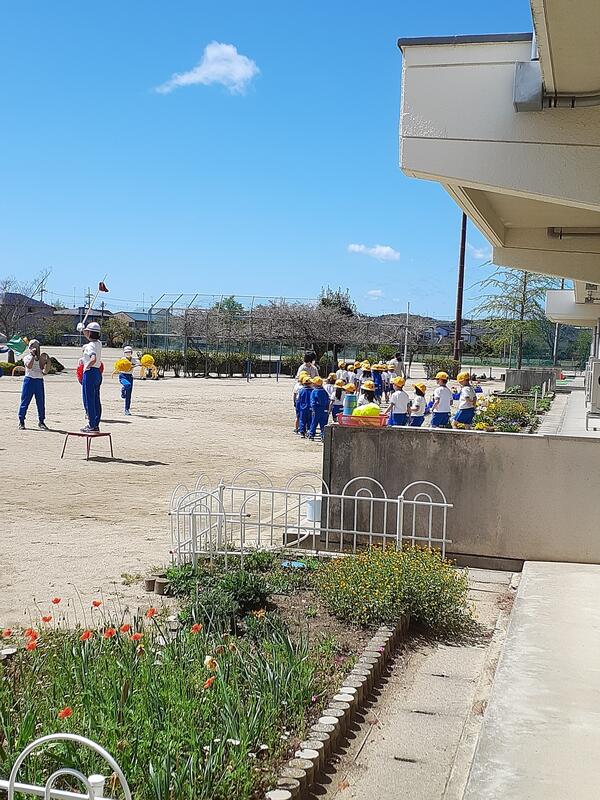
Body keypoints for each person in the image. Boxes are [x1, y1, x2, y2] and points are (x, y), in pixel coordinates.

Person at [18, 339, 49, 430]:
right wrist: (32, 355)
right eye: (33, 346)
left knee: (40, 402)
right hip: (29, 380)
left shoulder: (41, 357)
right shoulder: (27, 357)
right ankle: (21, 421)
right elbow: (29, 366)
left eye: (37, 346)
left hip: (39, 381)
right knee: (25, 401)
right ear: (30, 347)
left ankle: (41, 421)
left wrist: (46, 362)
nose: (35, 348)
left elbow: (44, 369)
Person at [80, 321, 103, 433]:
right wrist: (83, 329)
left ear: (89, 333)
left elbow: (93, 359)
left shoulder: (90, 346)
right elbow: (89, 336)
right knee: (96, 399)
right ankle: (96, 424)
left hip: (90, 373)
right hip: (97, 373)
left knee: (88, 399)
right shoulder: (98, 343)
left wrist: (86, 367)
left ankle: (91, 424)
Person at [119, 346, 139, 416]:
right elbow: (120, 367)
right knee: (127, 385)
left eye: (129, 352)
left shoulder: (133, 360)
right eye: (126, 352)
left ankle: (127, 409)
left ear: (132, 352)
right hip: (123, 376)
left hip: (130, 376)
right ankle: (123, 390)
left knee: (129, 394)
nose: (128, 353)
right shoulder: (122, 359)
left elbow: (138, 363)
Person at [308, 376, 330, 441]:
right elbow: (328, 400)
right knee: (323, 424)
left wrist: (313, 409)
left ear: (315, 384)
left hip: (317, 409)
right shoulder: (324, 391)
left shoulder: (314, 391)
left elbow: (313, 402)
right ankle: (323, 436)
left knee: (314, 422)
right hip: (324, 409)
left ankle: (311, 435)